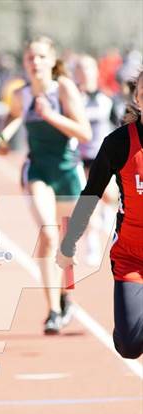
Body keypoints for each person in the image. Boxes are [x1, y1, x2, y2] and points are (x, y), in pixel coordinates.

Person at [0, 36, 92, 334]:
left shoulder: (62, 88)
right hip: (38, 170)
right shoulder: (21, 93)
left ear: (51, 61)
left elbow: (85, 133)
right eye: (30, 58)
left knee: (66, 243)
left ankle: (66, 298)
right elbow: (13, 118)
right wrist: (3, 139)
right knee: (48, 235)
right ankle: (52, 311)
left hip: (68, 171)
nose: (34, 62)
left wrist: (50, 115)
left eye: (40, 57)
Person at [57, 70, 143, 360]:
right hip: (132, 257)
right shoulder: (118, 143)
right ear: (137, 98)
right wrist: (69, 243)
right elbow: (91, 194)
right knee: (130, 347)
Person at [74, 54, 117, 266]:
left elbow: (119, 125)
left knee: (109, 196)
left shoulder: (106, 99)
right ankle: (92, 243)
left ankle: (107, 217)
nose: (84, 73)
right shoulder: (71, 98)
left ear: (95, 71)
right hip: (80, 158)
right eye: (80, 69)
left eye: (88, 68)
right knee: (88, 201)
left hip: (104, 157)